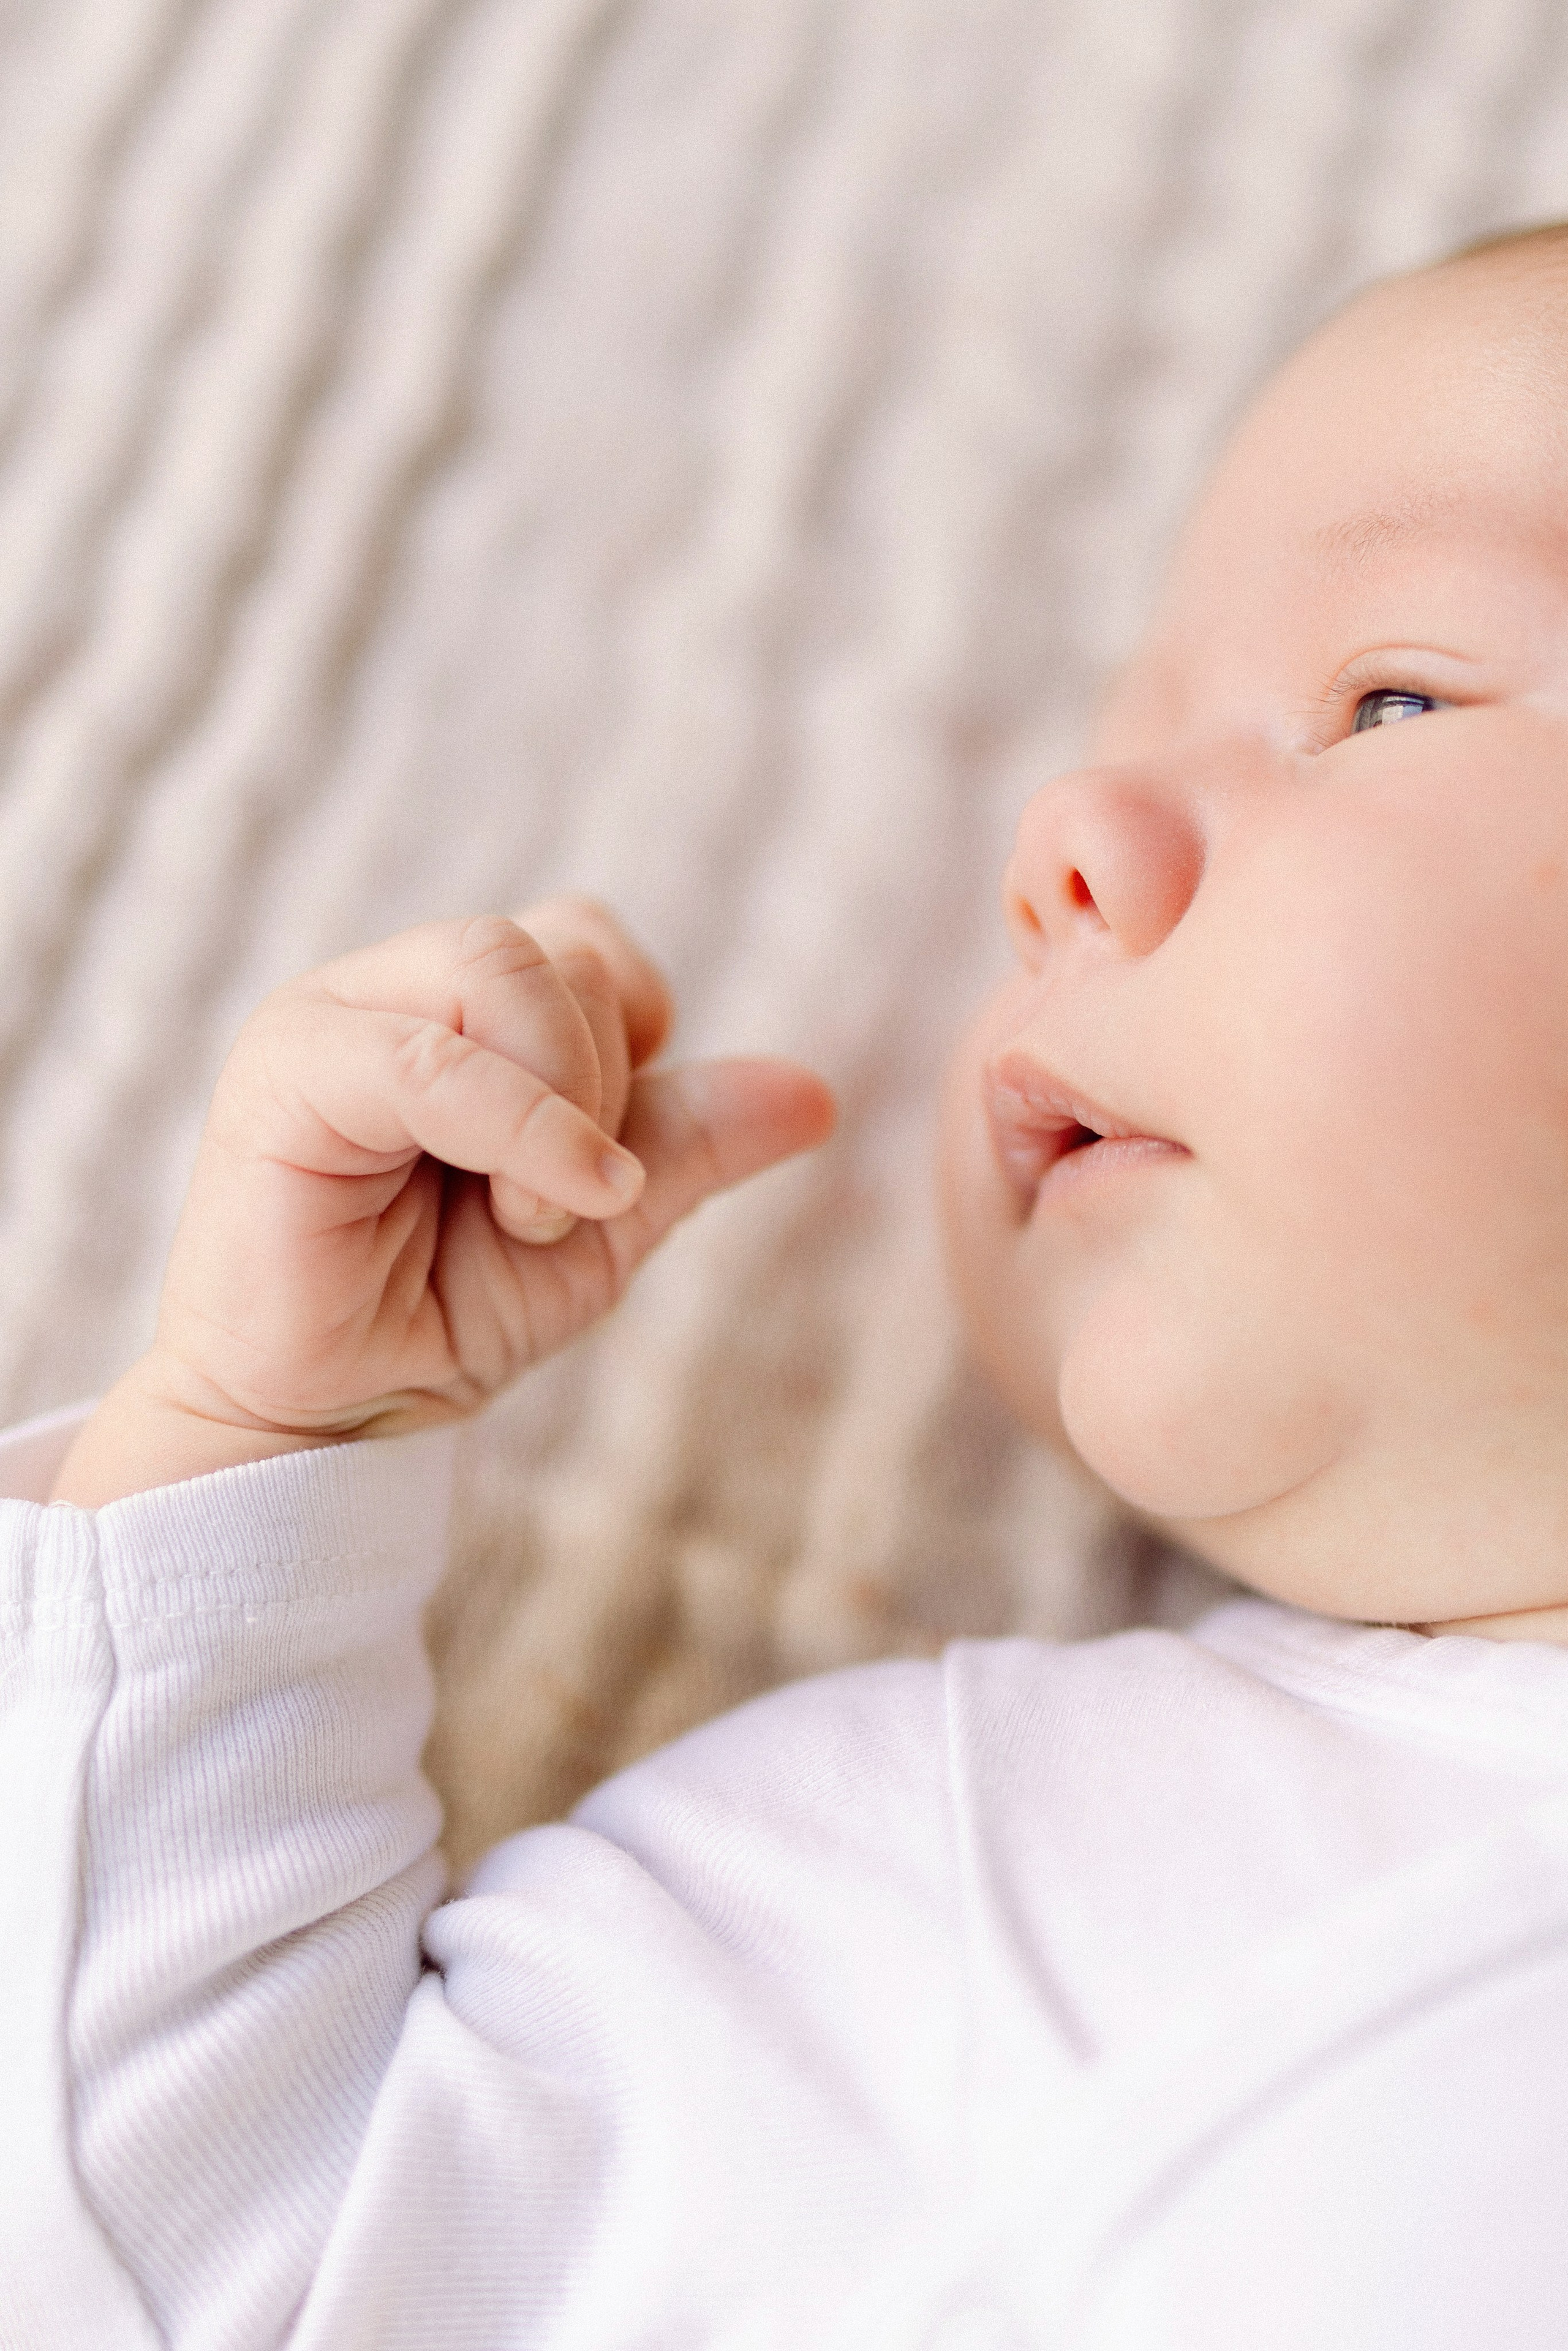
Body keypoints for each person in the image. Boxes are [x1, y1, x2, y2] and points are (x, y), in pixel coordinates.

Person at [7, 225, 1568, 2350]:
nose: (1067, 828)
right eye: (1121, 728)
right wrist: (265, 1451)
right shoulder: (989, 1879)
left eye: (1391, 693)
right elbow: (212, 2265)